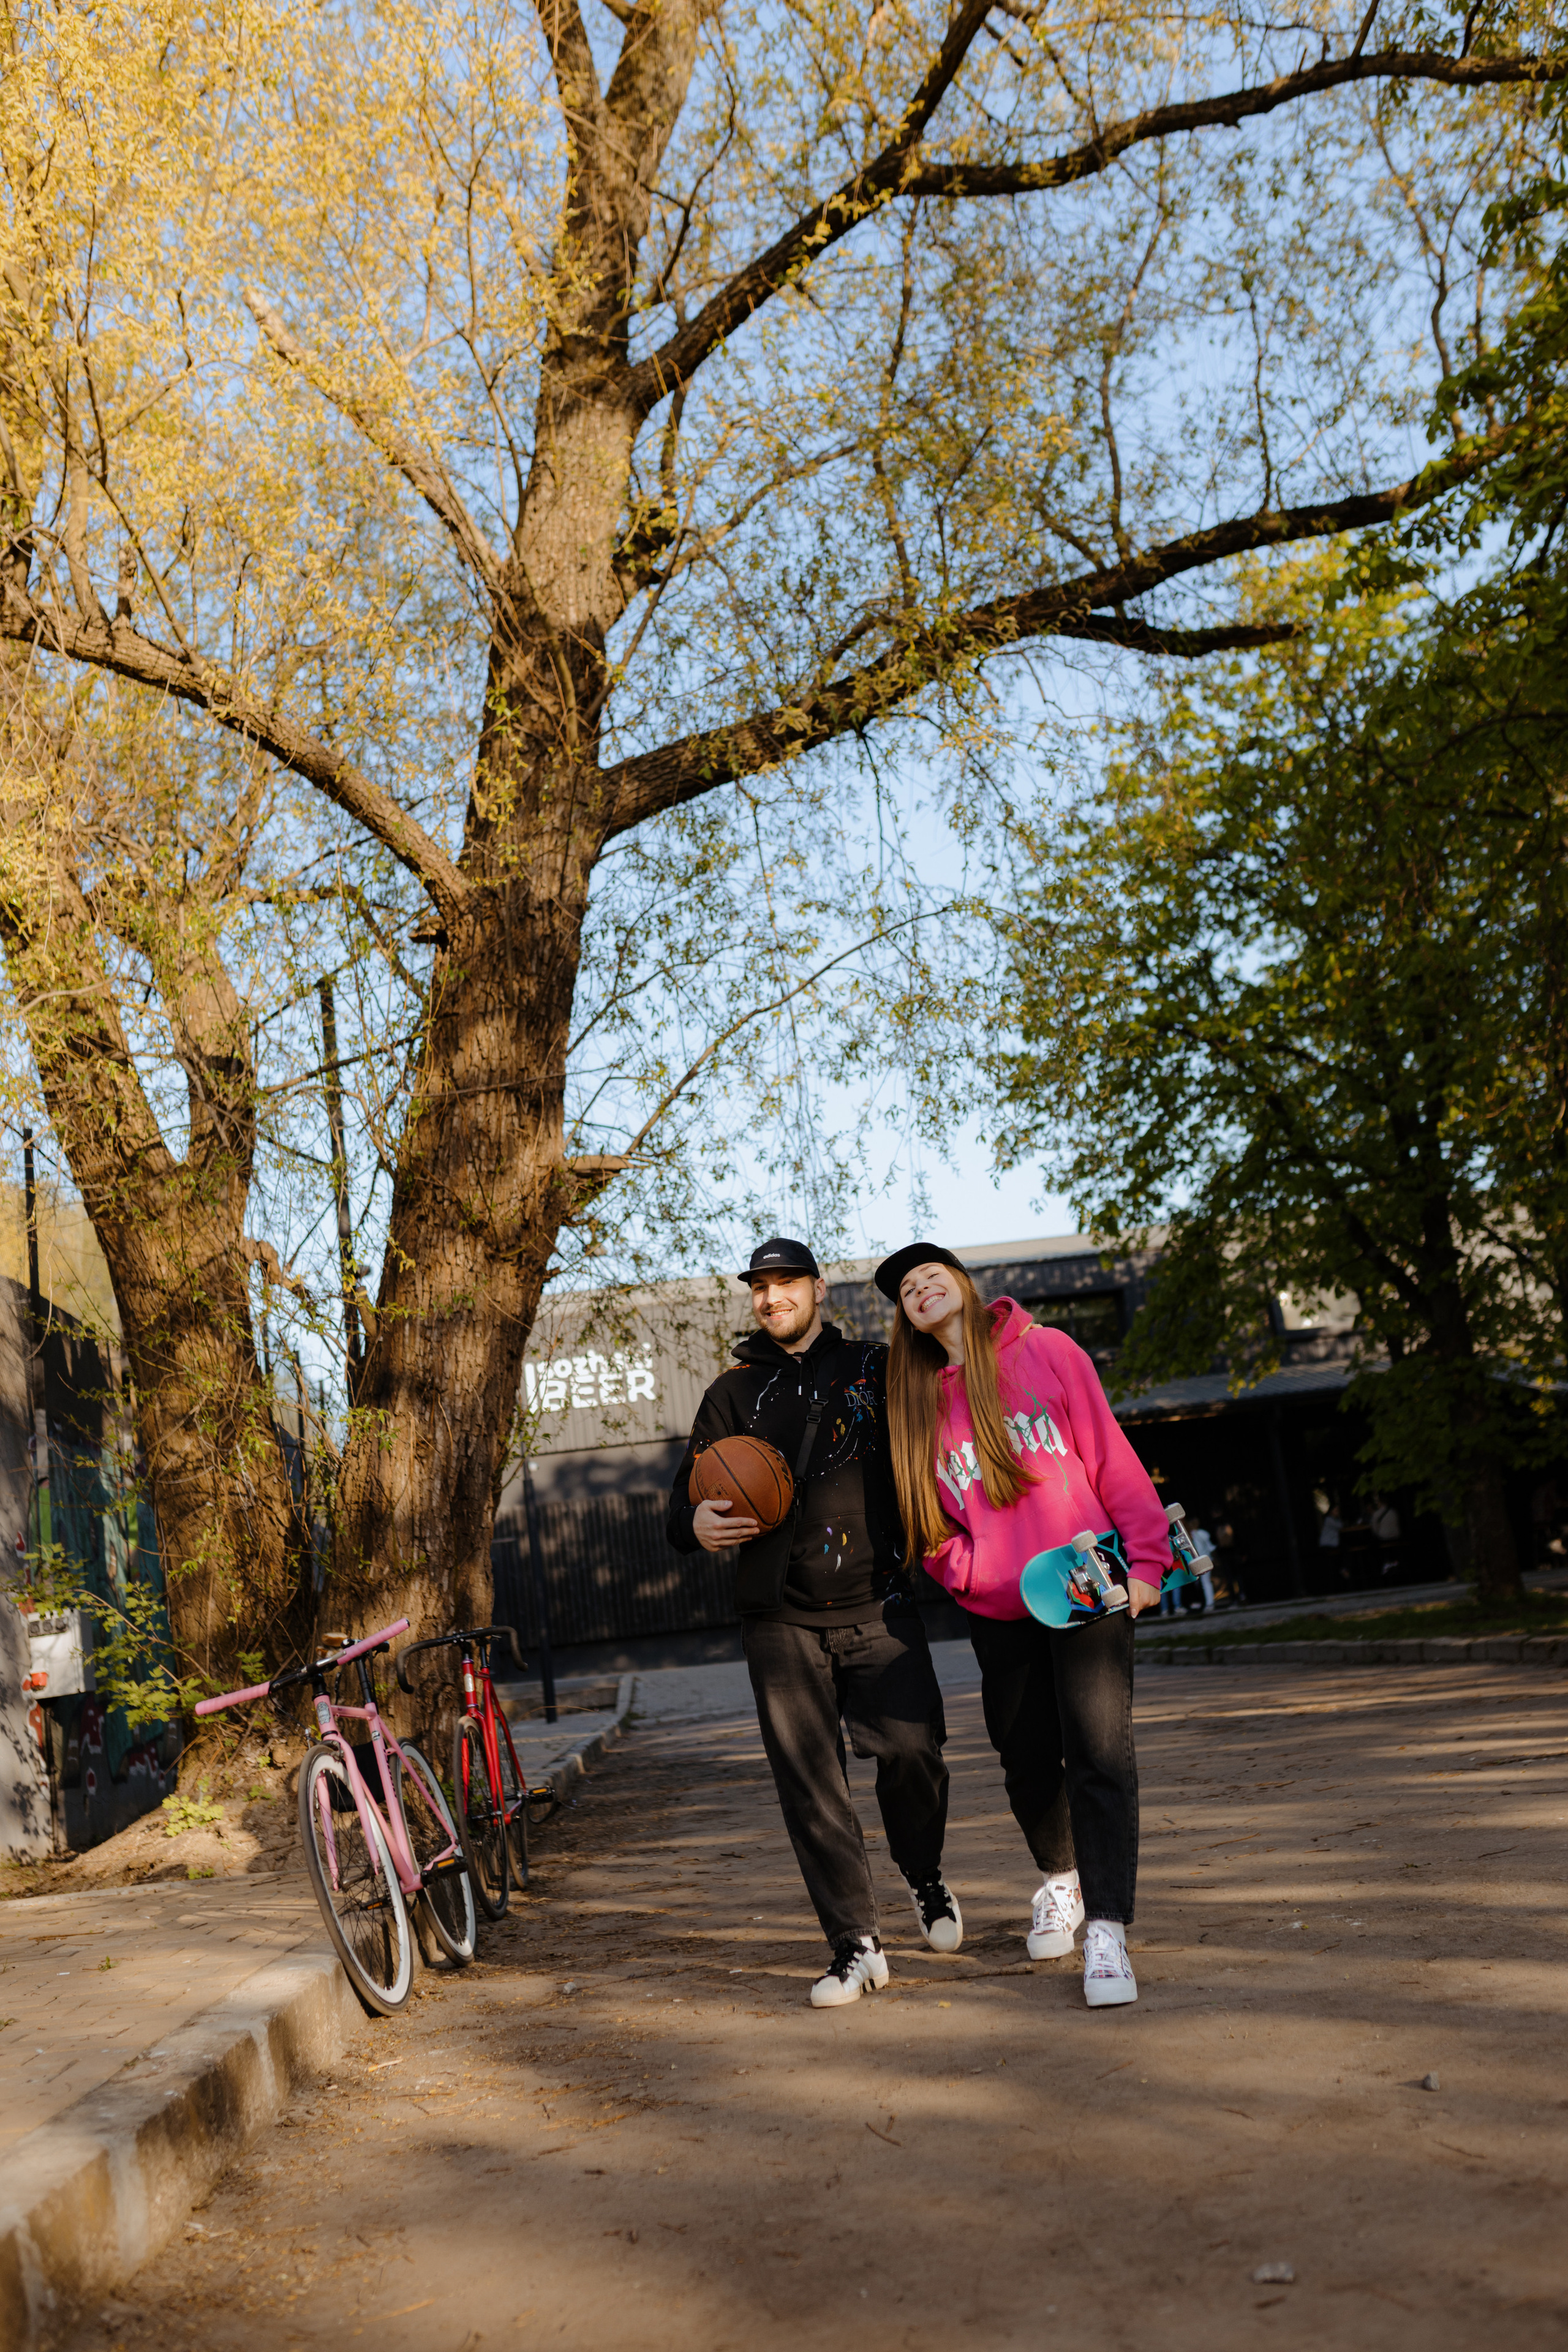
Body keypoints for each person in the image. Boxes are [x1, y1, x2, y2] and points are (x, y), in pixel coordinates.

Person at [667, 1237, 958, 2009]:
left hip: (882, 1600)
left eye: (785, 1283)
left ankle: (922, 1873)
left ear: (818, 1288)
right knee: (810, 1783)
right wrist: (692, 1520)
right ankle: (854, 1944)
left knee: (912, 1751)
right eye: (759, 1287)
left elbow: (949, 1412)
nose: (771, 1298)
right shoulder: (730, 1391)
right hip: (780, 1618)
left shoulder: (874, 1364)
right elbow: (680, 1500)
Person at [878, 1243, 1168, 2009]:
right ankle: (1062, 1883)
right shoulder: (915, 1404)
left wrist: (1147, 1563)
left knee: (1100, 1751)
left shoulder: (1047, 1351)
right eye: (905, 1289)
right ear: (904, 1316)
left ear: (964, 1283)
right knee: (1026, 1756)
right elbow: (928, 1525)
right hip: (999, 1606)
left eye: (930, 1273)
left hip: (1085, 1585)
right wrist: (972, 1572)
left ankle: (1106, 1929)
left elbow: (1111, 1456)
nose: (921, 1288)